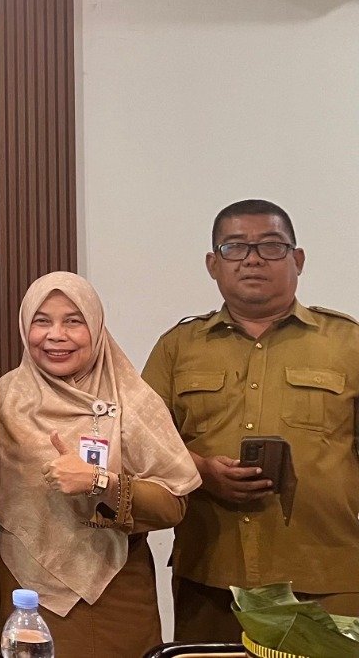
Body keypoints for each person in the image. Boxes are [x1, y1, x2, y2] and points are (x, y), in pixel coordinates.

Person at [142, 200, 359, 640]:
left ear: (298, 260)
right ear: (213, 264)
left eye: (271, 246)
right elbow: (141, 442)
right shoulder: (178, 347)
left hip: (327, 576)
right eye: (235, 247)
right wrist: (201, 471)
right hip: (211, 575)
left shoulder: (348, 344)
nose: (253, 259)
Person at [0, 272, 200, 657]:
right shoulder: (4, 399)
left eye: (73, 321)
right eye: (41, 321)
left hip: (113, 596)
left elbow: (174, 503)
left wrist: (101, 482)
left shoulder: (132, 399)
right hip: (21, 593)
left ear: (97, 327)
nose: (55, 335)